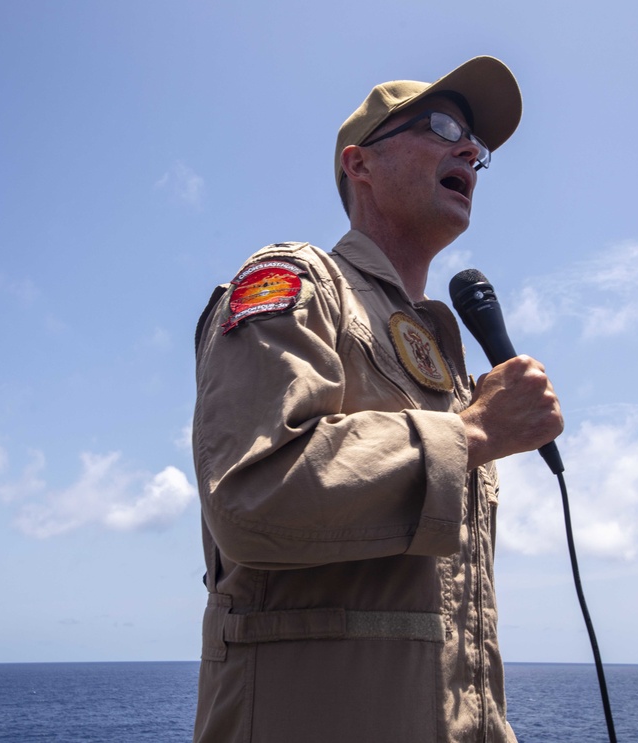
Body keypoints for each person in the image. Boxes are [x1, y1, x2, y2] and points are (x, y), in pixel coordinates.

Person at [190, 55, 563, 743]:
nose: (470, 149)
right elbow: (250, 494)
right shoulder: (298, 282)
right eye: (444, 125)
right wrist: (470, 436)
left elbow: (447, 623)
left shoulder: (443, 364)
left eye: (476, 148)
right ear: (359, 164)